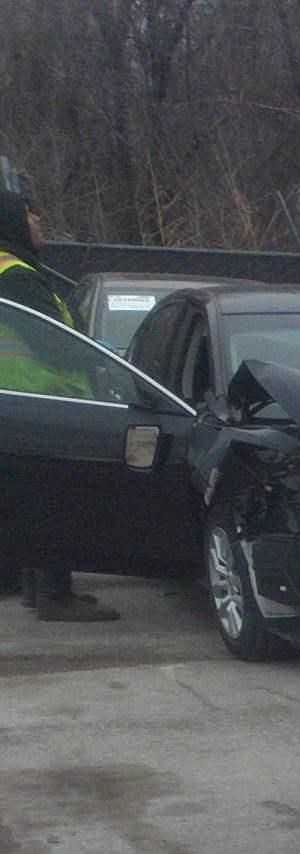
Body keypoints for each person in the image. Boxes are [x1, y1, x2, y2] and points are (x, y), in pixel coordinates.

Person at [0, 185, 118, 622]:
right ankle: (54, 593)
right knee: (56, 498)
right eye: (30, 216)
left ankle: (39, 588)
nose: (38, 223)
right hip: (43, 399)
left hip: (18, 403)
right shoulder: (17, 275)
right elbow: (55, 346)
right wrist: (94, 354)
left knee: (32, 496)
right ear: (11, 222)